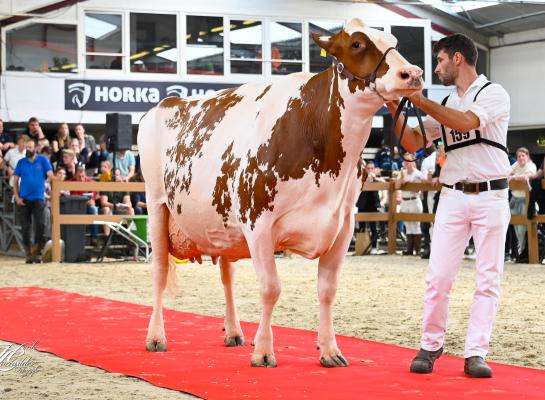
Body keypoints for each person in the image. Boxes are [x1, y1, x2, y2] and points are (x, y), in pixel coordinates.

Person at [387, 33, 511, 378]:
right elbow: (412, 142)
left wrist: (420, 100)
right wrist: (393, 104)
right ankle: (430, 344)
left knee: (488, 278)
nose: (437, 66)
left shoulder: (493, 93)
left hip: (491, 195)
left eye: (440, 59)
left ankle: (476, 352)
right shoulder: (446, 104)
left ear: (458, 58)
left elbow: (467, 122)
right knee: (438, 276)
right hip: (453, 195)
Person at [13, 139, 54, 263]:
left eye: (30, 147)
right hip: (24, 199)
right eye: (26, 147)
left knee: (40, 225)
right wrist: (17, 197)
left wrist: (52, 192)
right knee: (25, 227)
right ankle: (28, 254)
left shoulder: (43, 160)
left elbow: (51, 176)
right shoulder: (21, 162)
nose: (28, 149)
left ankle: (36, 252)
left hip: (38, 198)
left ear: (36, 148)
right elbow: (15, 182)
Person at [507, 147, 536, 261]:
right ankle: (520, 251)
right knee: (515, 226)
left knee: (523, 228)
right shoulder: (516, 165)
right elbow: (507, 172)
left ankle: (523, 251)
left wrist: (512, 177)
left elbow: (527, 175)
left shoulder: (531, 165)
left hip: (525, 200)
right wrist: (511, 176)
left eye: (523, 155)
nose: (521, 158)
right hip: (514, 198)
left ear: (527, 156)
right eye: (519, 156)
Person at [395, 157, 424, 255]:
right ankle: (409, 249)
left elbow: (419, 188)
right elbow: (396, 186)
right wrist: (402, 180)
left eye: (409, 161)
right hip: (405, 200)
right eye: (405, 161)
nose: (407, 163)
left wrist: (409, 183)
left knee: (416, 225)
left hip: (414, 200)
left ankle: (418, 249)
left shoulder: (418, 173)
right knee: (408, 225)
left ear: (413, 162)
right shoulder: (402, 172)